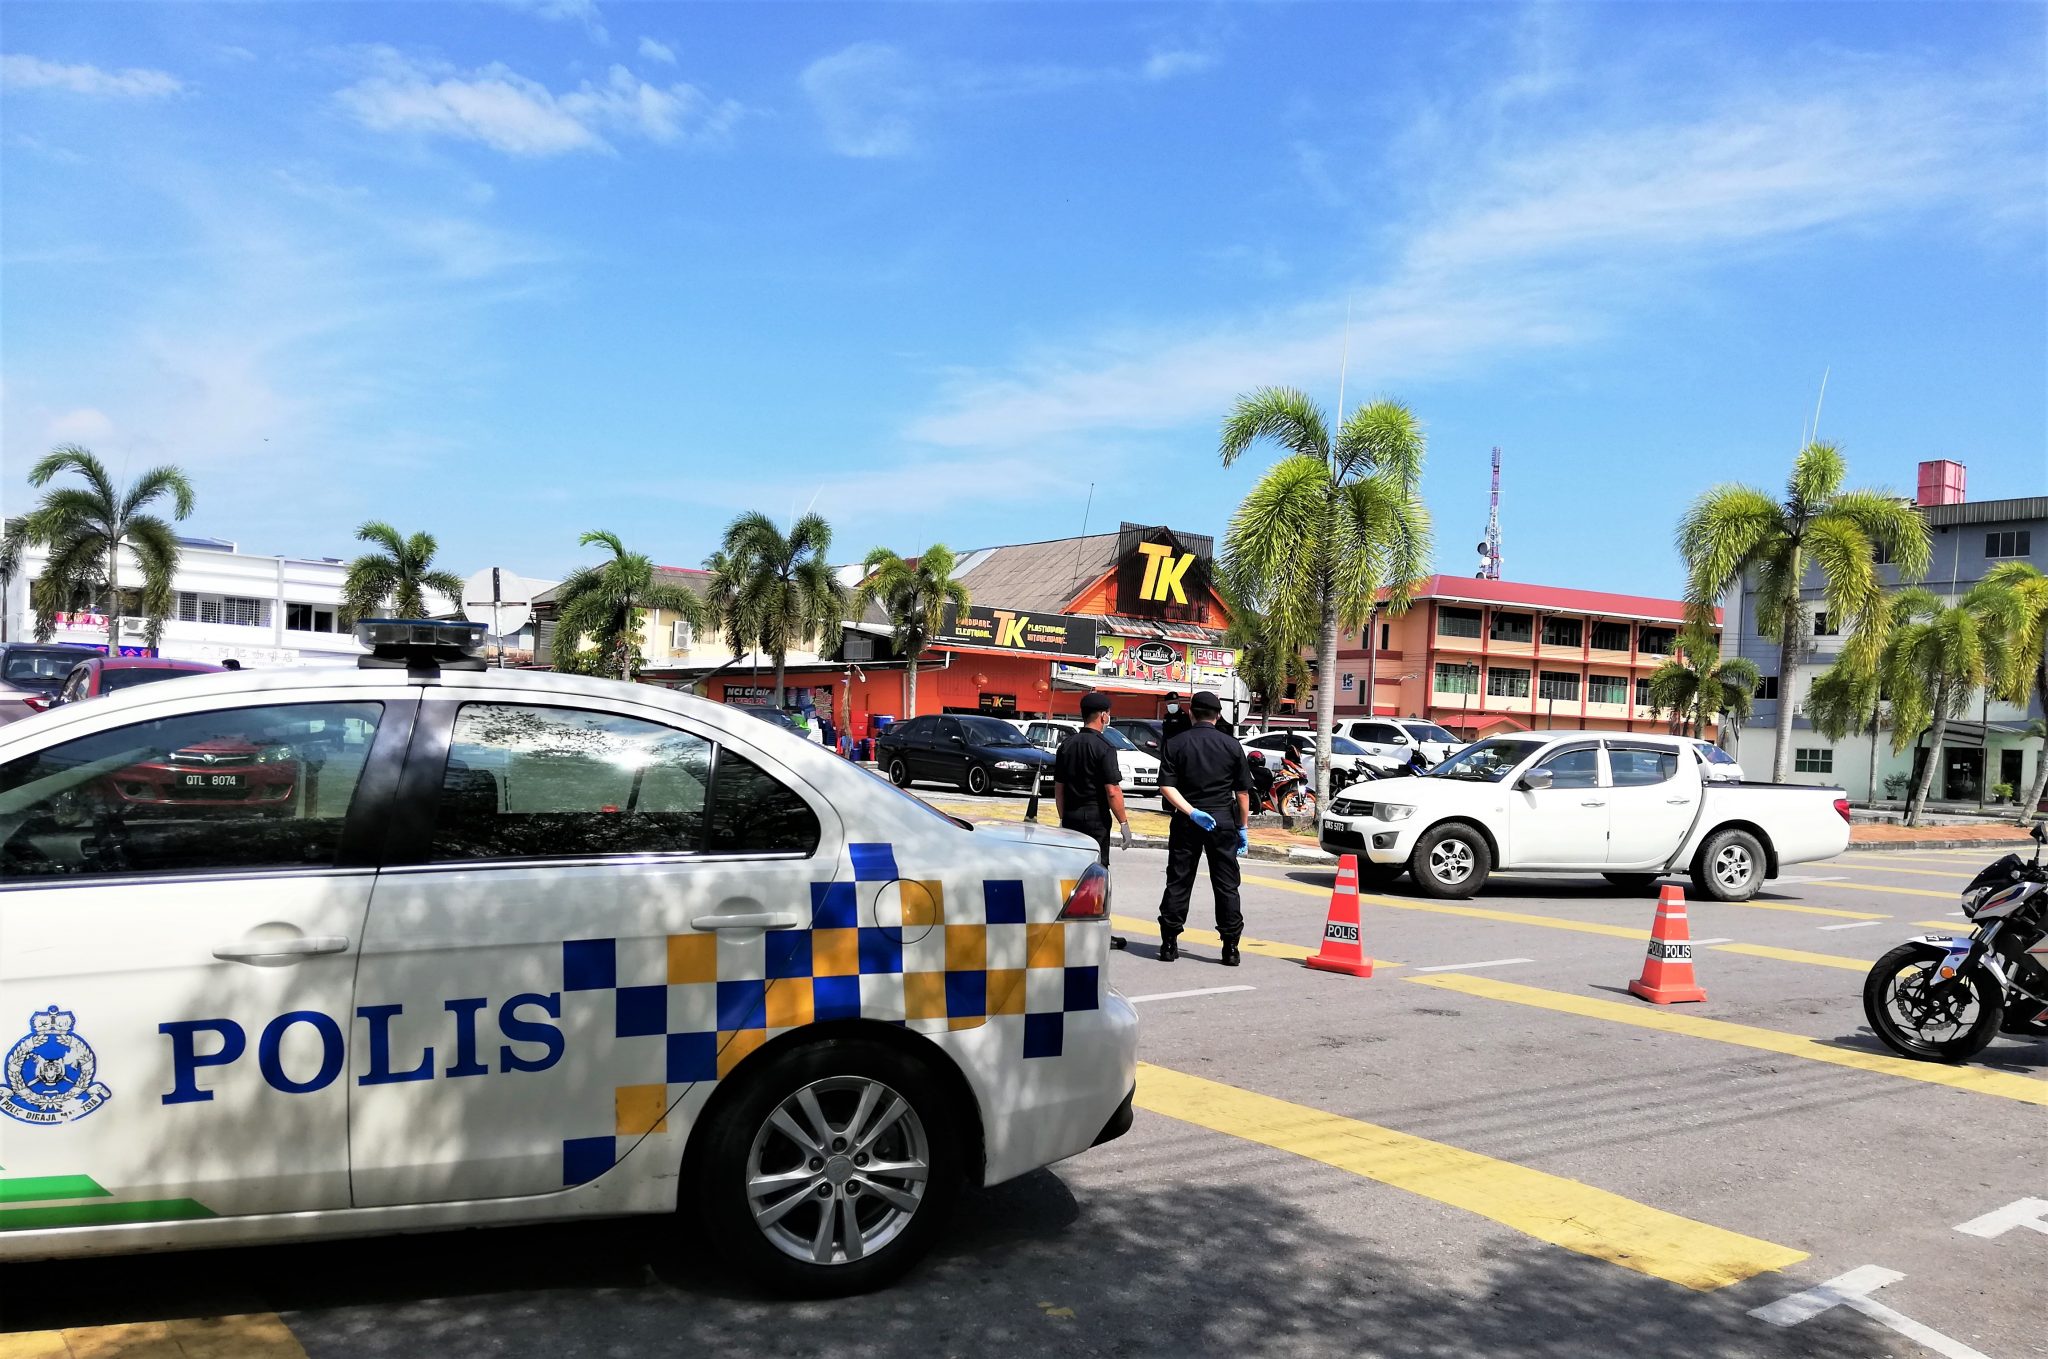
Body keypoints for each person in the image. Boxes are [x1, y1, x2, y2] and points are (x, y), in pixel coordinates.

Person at [1157, 690, 1253, 966]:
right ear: (1218, 715)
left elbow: (1166, 786)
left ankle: (1169, 943)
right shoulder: (1232, 745)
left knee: (1179, 879)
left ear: (1191, 713)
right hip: (1222, 819)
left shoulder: (1176, 743)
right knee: (1226, 884)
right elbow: (1242, 793)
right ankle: (1230, 947)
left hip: (1188, 818)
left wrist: (1191, 811)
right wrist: (1242, 827)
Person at [1054, 692, 1134, 867]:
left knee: (1071, 867)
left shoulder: (1066, 745)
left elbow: (1059, 787)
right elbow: (1112, 790)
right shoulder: (1104, 747)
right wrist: (1123, 823)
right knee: (1095, 869)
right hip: (1095, 818)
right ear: (1103, 716)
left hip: (1070, 815)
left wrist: (1062, 817)